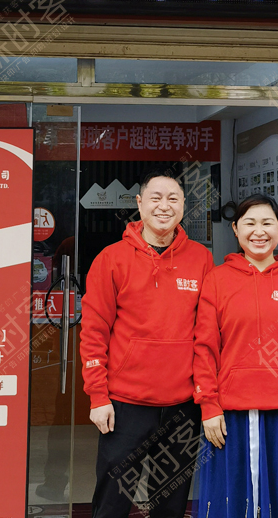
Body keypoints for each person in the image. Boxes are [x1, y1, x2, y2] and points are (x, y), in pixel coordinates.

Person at [80, 169, 213, 518]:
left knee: (171, 506)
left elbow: (206, 333)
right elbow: (94, 331)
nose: (164, 206)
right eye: (156, 198)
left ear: (184, 205)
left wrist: (205, 396)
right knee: (112, 504)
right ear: (140, 203)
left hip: (183, 405)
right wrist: (98, 396)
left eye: (173, 199)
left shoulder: (200, 258)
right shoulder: (112, 258)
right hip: (125, 404)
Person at [192, 193, 278, 518]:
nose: (259, 231)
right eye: (250, 223)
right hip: (231, 416)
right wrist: (208, 404)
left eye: (267, 223)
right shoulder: (216, 281)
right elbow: (205, 347)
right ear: (236, 229)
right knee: (235, 503)